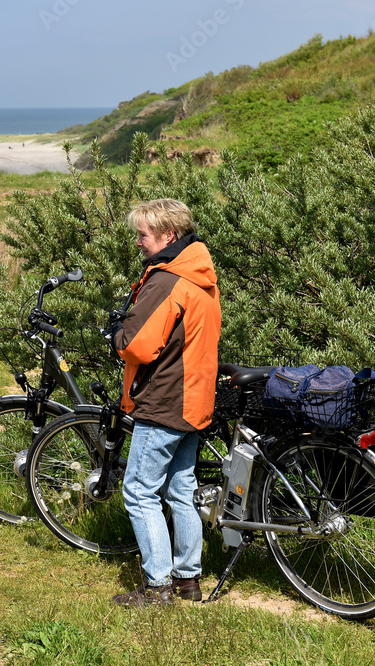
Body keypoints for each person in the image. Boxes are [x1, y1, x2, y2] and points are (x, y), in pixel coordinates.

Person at [109, 198, 221, 607]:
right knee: (180, 489)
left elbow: (139, 345)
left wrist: (117, 335)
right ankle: (187, 581)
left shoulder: (167, 280)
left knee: (139, 491)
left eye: (143, 234)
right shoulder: (201, 277)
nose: (138, 242)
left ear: (167, 236)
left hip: (164, 402)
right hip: (194, 401)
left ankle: (157, 587)